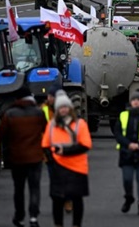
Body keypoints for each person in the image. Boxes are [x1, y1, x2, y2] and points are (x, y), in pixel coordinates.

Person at [0, 85, 48, 227]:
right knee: (34, 188)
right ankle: (33, 218)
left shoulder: (10, 114)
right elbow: (45, 129)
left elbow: (1, 134)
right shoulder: (38, 113)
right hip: (35, 157)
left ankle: (19, 216)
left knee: (18, 189)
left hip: (17, 158)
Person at [42, 91, 92, 227]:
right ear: (57, 110)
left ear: (70, 108)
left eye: (66, 107)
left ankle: (76, 224)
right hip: (58, 167)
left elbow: (86, 145)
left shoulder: (80, 124)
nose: (63, 109)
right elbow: (45, 144)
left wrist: (65, 151)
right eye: (61, 107)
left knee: (77, 199)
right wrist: (52, 159)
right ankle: (58, 224)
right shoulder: (51, 125)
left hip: (77, 167)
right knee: (57, 199)